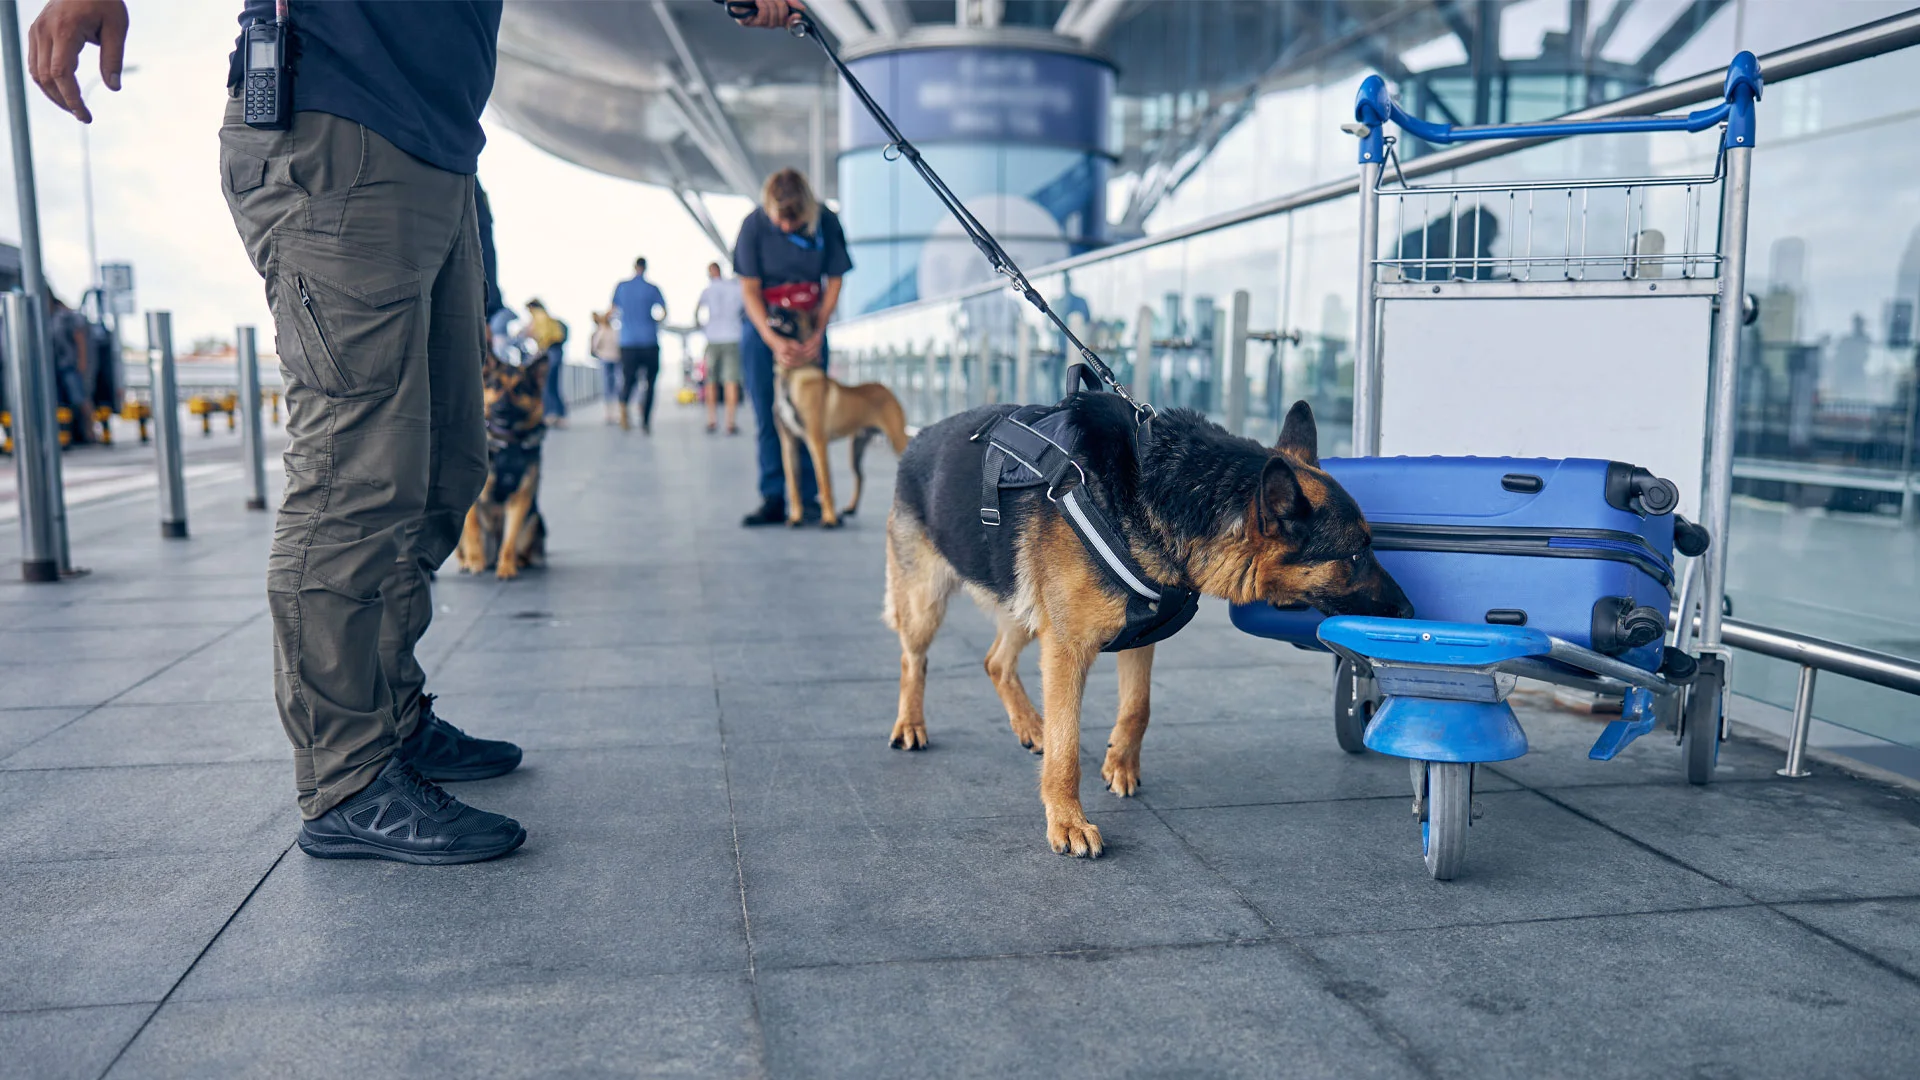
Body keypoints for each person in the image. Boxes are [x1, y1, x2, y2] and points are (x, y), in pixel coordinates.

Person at [27, 0, 809, 866]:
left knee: (445, 466)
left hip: (437, 156)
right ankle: (348, 780)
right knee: (353, 475)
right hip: (337, 127)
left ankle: (391, 718)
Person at [735, 168, 851, 526]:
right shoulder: (753, 226)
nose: (786, 228)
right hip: (763, 329)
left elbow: (834, 280)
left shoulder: (826, 221)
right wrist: (773, 342)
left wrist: (819, 330)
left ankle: (811, 498)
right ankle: (774, 496)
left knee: (810, 418)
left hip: (809, 326)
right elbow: (749, 289)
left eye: (794, 220)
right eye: (780, 221)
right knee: (769, 414)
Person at [610, 256, 666, 433]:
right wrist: (653, 321)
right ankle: (645, 421)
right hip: (649, 340)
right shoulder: (652, 288)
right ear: (646, 268)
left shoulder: (622, 287)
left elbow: (612, 311)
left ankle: (623, 409)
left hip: (628, 342)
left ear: (634, 267)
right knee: (650, 383)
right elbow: (663, 312)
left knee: (628, 380)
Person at [696, 262, 745, 435]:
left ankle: (712, 420)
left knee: (711, 381)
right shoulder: (735, 288)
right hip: (733, 336)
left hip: (713, 337)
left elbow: (697, 313)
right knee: (731, 381)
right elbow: (746, 309)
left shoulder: (708, 291)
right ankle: (730, 422)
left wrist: (704, 327)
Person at [519, 298, 568, 427]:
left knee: (545, 384)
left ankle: (549, 415)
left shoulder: (539, 316)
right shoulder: (547, 316)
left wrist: (539, 349)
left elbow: (543, 335)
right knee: (553, 384)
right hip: (557, 351)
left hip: (549, 351)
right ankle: (560, 415)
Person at [590, 310, 622, 425]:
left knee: (608, 385)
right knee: (617, 384)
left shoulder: (600, 331)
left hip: (605, 359)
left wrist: (600, 352)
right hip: (616, 358)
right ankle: (618, 411)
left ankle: (609, 413)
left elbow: (594, 346)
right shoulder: (615, 331)